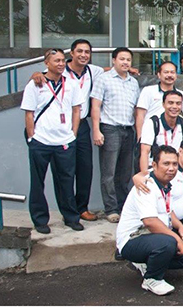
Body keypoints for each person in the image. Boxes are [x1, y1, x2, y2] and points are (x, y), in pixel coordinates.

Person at [30, 39, 105, 222]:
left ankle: (81, 208)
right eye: (79, 51)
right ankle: (68, 211)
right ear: (71, 53)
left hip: (81, 125)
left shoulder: (93, 71)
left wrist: (131, 69)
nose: (83, 55)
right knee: (64, 172)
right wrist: (37, 73)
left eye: (87, 52)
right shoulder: (62, 71)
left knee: (85, 168)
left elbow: (109, 71)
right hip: (59, 129)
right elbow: (46, 76)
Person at [116, 146, 183, 295]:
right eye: (166, 164)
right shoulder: (146, 185)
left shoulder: (167, 183)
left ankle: (146, 263)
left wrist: (180, 227)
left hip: (152, 238)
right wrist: (176, 238)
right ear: (154, 165)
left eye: (175, 164)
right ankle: (152, 279)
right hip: (133, 238)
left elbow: (167, 210)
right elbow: (150, 222)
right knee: (169, 242)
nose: (171, 168)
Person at [22, 48, 84, 233]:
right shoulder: (35, 84)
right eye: (56, 61)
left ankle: (71, 217)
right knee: (38, 181)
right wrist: (32, 137)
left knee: (66, 180)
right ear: (46, 63)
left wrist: (73, 134)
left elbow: (76, 110)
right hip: (41, 141)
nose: (60, 64)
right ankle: (40, 220)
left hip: (64, 140)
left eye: (62, 61)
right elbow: (29, 113)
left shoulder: (71, 84)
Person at [90, 47, 140, 223]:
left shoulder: (133, 82)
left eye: (128, 60)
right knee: (109, 172)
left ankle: (123, 207)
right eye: (122, 59)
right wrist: (96, 130)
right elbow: (95, 106)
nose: (125, 62)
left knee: (125, 173)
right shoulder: (103, 79)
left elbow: (135, 110)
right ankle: (111, 209)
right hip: (110, 129)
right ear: (113, 60)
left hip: (128, 130)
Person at [138, 90, 183, 173]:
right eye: (170, 103)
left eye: (178, 103)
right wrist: (144, 175)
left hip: (176, 169)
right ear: (163, 104)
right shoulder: (152, 123)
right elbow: (145, 151)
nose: (174, 107)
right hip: (154, 169)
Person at [136, 62, 183, 137]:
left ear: (176, 75)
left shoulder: (182, 94)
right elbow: (140, 116)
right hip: (151, 133)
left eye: (172, 72)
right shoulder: (148, 91)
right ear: (159, 75)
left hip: (174, 135)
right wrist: (140, 137)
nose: (169, 75)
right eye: (166, 72)